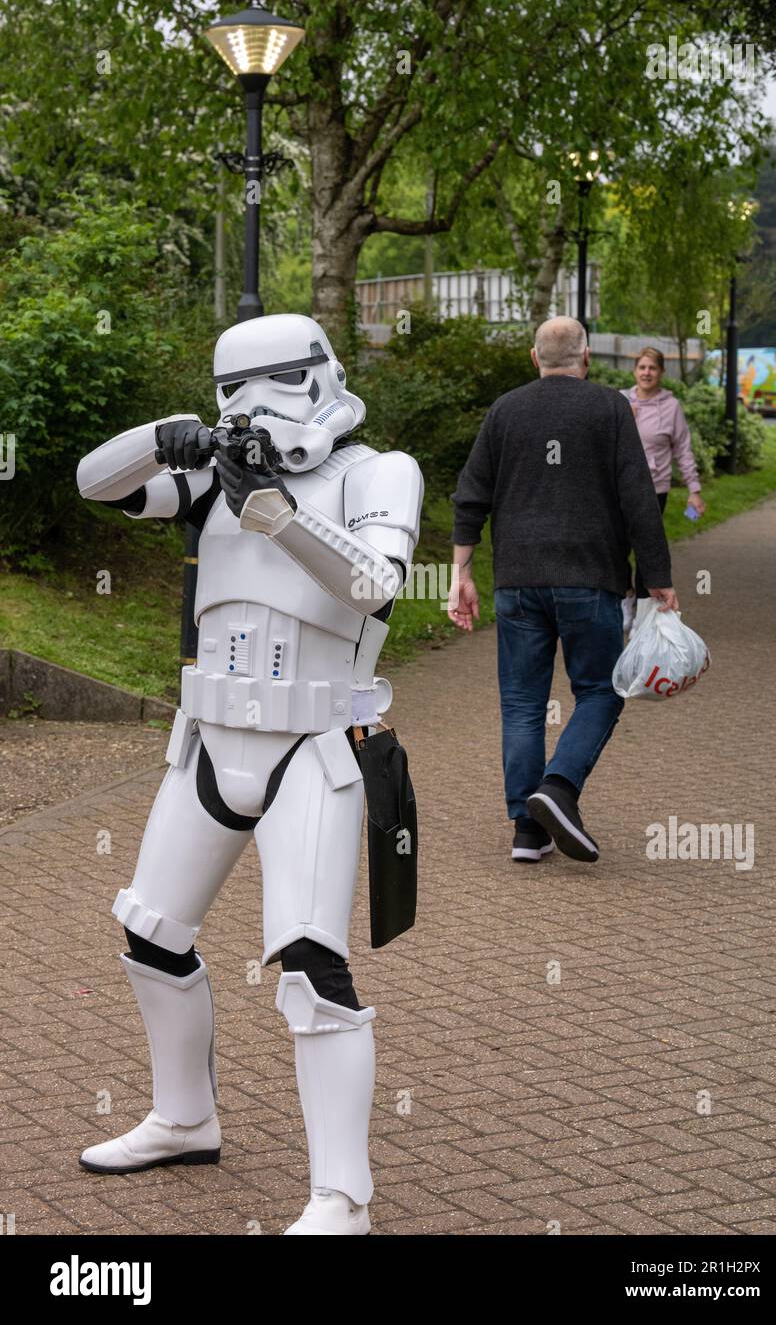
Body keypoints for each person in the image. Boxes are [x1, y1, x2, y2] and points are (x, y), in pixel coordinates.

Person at [75, 314, 423, 1236]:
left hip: (310, 748)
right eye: (234, 389)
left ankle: (341, 1194)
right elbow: (94, 485)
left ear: (319, 378)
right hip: (207, 743)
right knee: (151, 935)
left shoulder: (375, 473)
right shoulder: (207, 484)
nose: (252, 406)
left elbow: (376, 586)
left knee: (310, 967)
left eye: (272, 382)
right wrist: (166, 439)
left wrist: (274, 507)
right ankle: (184, 1117)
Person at [447, 317, 677, 865]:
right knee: (600, 690)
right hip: (589, 579)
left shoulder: (505, 410)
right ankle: (559, 787)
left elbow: (469, 496)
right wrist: (658, 580)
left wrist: (461, 575)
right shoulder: (609, 409)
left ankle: (528, 832)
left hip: (518, 582)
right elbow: (639, 500)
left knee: (522, 704)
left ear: (534, 358)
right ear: (587, 357)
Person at [620, 348, 705, 635]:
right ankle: (626, 597)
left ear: (660, 373)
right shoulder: (620, 401)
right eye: (641, 367)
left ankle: (643, 615)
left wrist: (694, 490)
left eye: (652, 368)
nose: (646, 372)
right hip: (618, 488)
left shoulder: (671, 407)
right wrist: (625, 419)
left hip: (654, 489)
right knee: (616, 548)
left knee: (647, 549)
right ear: (634, 371)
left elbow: (683, 450)